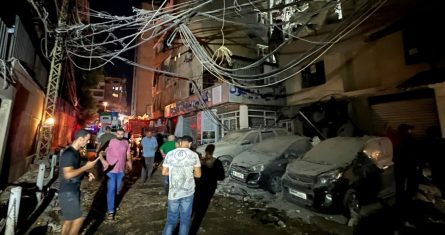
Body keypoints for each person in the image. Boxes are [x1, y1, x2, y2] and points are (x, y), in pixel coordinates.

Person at [59, 129, 98, 235]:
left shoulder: (76, 153)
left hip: (72, 190)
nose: (88, 142)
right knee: (78, 220)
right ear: (80, 139)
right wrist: (86, 167)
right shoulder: (69, 154)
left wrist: (86, 173)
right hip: (68, 191)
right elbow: (68, 174)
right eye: (87, 140)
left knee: (69, 220)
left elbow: (75, 169)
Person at [162, 135, 201, 235]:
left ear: (180, 143)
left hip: (174, 192)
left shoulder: (170, 154)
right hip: (187, 192)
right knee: (185, 221)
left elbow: (164, 172)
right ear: (190, 144)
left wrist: (175, 171)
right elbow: (198, 174)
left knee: (170, 221)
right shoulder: (194, 155)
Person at [189, 144, 225, 235]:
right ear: (214, 152)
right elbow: (221, 177)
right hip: (208, 191)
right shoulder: (217, 163)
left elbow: (193, 174)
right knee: (200, 214)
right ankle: (192, 232)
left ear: (205, 151)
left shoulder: (200, 162)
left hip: (197, 189)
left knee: (191, 211)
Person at [101, 128, 132, 220]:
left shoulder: (126, 142)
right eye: (118, 134)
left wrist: (129, 162)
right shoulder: (110, 142)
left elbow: (128, 153)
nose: (119, 136)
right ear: (115, 134)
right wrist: (103, 161)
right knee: (112, 188)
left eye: (121, 134)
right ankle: (111, 211)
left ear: (124, 134)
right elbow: (100, 152)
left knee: (117, 189)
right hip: (110, 170)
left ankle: (113, 204)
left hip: (120, 170)